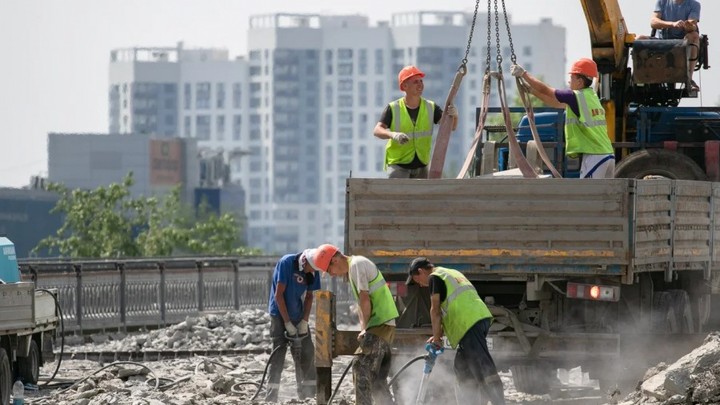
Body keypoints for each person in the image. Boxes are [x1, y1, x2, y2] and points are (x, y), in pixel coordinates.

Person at [406, 257, 506, 405]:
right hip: (477, 319)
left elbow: (435, 310)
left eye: (417, 280)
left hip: (469, 323)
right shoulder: (451, 272)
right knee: (462, 367)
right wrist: (438, 335)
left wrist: (437, 338)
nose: (420, 285)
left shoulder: (435, 277)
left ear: (421, 271)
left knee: (482, 366)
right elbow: (456, 305)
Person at [311, 244, 399, 405]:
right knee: (377, 379)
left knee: (361, 366)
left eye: (329, 270)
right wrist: (363, 328)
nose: (331, 275)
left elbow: (365, 299)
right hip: (383, 324)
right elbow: (361, 303)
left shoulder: (357, 265)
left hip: (381, 322)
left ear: (335, 260)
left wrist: (366, 328)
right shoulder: (353, 269)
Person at [510, 59, 615, 179]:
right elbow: (555, 103)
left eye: (572, 77)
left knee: (588, 196)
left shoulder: (574, 96)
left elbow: (547, 90)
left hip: (595, 156)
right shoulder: (590, 96)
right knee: (605, 195)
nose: (569, 81)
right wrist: (532, 91)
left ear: (580, 81)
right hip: (607, 155)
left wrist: (524, 74)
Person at [373, 65, 459, 179]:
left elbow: (451, 128)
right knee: (398, 195)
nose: (420, 84)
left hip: (421, 167)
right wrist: (393, 135)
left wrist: (455, 116)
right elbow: (377, 130)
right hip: (399, 167)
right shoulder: (394, 108)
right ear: (404, 86)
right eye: (415, 82)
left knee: (421, 197)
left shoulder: (430, 107)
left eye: (421, 81)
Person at [265, 248, 322, 402]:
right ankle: (271, 397)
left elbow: (310, 297)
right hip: (279, 313)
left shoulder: (314, 270)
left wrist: (304, 321)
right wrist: (287, 323)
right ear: (305, 263)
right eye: (311, 270)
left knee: (307, 351)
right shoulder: (286, 263)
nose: (312, 273)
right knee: (278, 353)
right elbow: (279, 295)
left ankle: (309, 394)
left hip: (297, 313)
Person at [651, 0, 701, 90]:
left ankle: (688, 78)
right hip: (662, 41)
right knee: (639, 39)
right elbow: (653, 22)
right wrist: (672, 24)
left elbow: (692, 23)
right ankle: (642, 78)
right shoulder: (662, 2)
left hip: (683, 42)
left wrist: (688, 25)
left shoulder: (694, 4)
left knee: (694, 36)